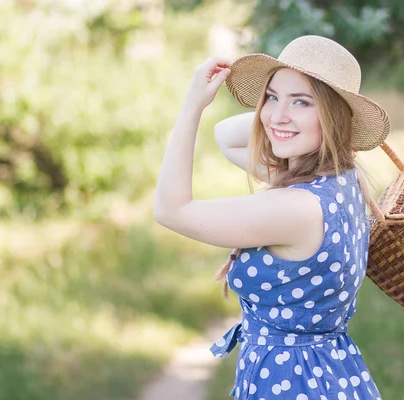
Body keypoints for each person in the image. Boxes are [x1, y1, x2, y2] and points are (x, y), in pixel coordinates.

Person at [154, 35, 390, 400]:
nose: (277, 114)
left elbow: (170, 210)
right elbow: (227, 137)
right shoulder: (340, 181)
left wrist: (191, 107)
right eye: (272, 96)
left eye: (303, 102)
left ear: (332, 116)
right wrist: (290, 117)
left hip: (291, 383)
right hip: (327, 373)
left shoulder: (295, 208)